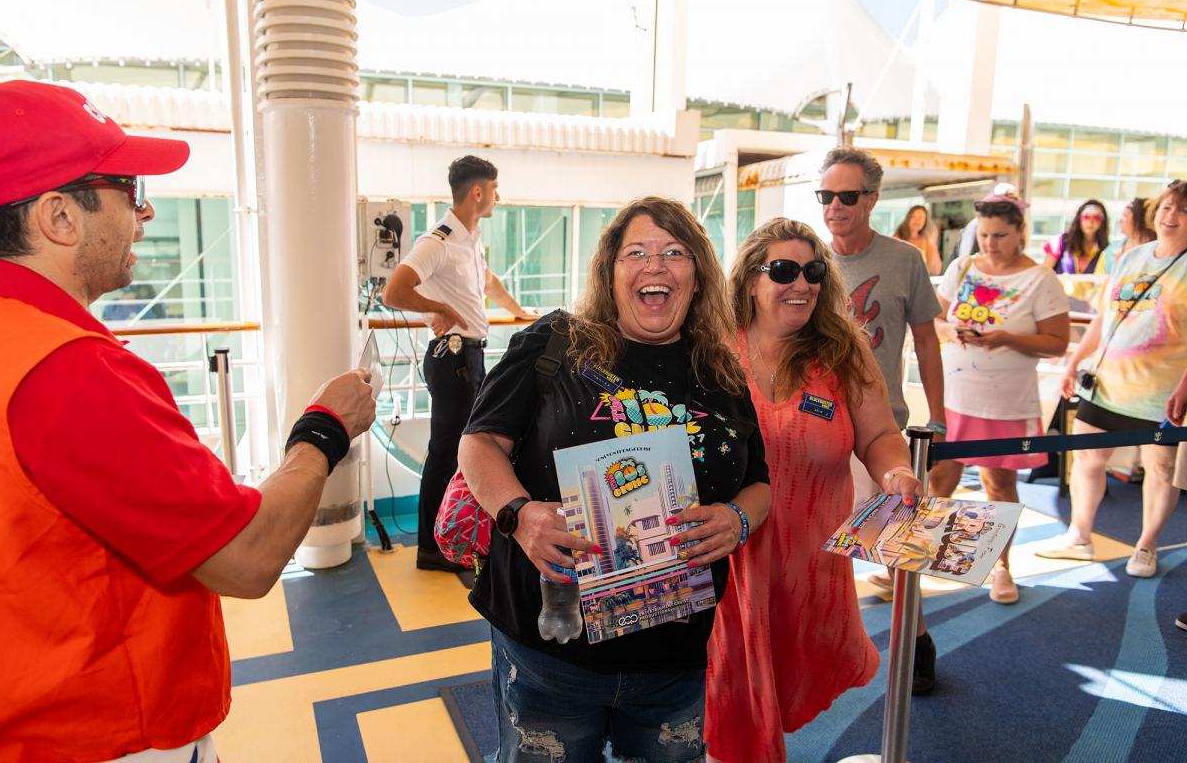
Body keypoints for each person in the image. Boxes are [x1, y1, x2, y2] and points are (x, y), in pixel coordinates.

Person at [0, 81, 376, 762]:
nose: (145, 211)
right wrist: (324, 429)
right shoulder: (69, 372)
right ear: (59, 216)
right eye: (127, 188)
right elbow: (248, 558)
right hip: (103, 734)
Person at [458, 196, 772, 763]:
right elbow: (479, 444)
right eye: (637, 253)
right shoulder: (556, 343)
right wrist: (519, 515)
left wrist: (738, 520)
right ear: (610, 272)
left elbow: (759, 482)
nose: (655, 265)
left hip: (674, 655)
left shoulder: (720, 372)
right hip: (551, 648)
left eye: (674, 252)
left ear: (697, 276)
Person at [705, 218, 923, 763]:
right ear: (750, 281)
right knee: (726, 697)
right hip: (728, 563)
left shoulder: (843, 352)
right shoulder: (710, 351)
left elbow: (879, 435)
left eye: (814, 271)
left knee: (786, 683)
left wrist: (896, 472)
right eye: (783, 270)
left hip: (810, 569)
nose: (801, 284)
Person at [819, 147, 946, 692]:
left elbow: (927, 341)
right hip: (815, 430)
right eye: (826, 196)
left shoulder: (904, 260)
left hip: (881, 431)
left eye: (847, 196)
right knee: (814, 549)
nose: (835, 206)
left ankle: (916, 640)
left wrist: (938, 416)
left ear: (871, 199)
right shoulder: (807, 262)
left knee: (898, 546)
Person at [380, 155, 539, 574]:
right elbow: (393, 292)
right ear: (478, 192)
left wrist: (519, 312)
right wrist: (439, 308)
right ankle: (432, 548)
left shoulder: (469, 239)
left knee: (463, 449)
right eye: (495, 189)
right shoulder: (440, 240)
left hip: (469, 355)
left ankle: (452, 540)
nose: (498, 197)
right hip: (452, 357)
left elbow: (489, 283)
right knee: (448, 452)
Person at [1038, 180, 1187, 578]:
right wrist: (1074, 362)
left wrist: (1185, 388)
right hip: (1105, 384)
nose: (1171, 216)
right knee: (1087, 457)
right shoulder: (1132, 257)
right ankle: (1079, 535)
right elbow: (1105, 317)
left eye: (1183, 210)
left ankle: (1146, 545)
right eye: (1166, 207)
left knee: (1159, 468)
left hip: (1161, 392)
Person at [928, 193, 1070, 604]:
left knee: (999, 485)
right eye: (984, 235)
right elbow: (934, 320)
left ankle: (1002, 566)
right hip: (954, 395)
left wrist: (1007, 338)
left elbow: (1057, 342)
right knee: (939, 480)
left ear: (1020, 232)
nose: (990, 244)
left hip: (1004, 402)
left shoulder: (1040, 279)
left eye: (1000, 235)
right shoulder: (963, 267)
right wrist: (951, 331)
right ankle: (919, 559)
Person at [1042, 199, 1109, 274]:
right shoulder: (1060, 241)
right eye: (1086, 217)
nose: (1090, 222)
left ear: (1103, 221)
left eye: (1096, 218)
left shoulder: (1106, 250)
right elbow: (1044, 273)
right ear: (1079, 218)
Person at [1102, 197, 1156, 272]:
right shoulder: (1111, 250)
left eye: (1125, 215)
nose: (1120, 220)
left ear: (1141, 220)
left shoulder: (1156, 251)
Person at [894, 204, 942, 275]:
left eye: (921, 217)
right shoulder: (896, 239)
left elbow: (936, 271)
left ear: (925, 221)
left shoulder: (926, 240)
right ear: (908, 218)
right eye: (913, 217)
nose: (917, 220)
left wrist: (933, 243)